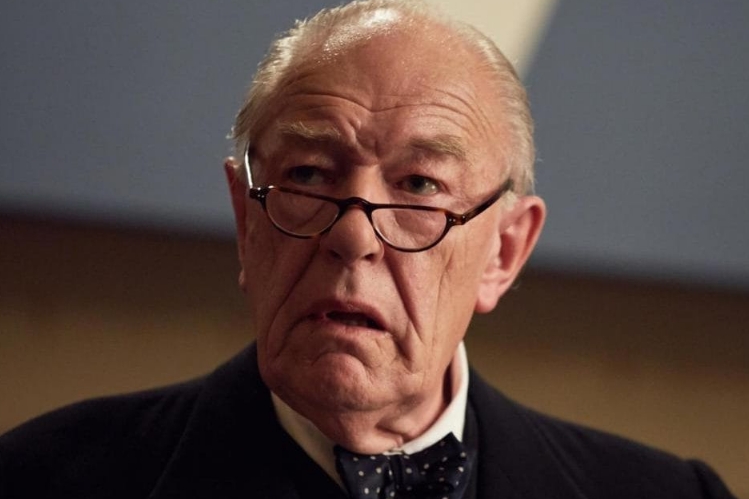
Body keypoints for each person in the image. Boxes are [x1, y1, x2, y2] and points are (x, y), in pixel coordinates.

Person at [0, 1, 737, 498]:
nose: (351, 237)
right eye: (308, 175)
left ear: (504, 252)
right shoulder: (43, 478)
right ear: (246, 219)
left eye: (418, 184)